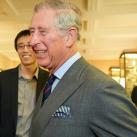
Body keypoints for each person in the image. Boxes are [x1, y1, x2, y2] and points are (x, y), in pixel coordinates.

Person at [29, 0, 137, 137]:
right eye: (32, 32)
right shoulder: (51, 81)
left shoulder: (100, 88)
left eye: (42, 32)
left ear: (69, 36)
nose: (32, 41)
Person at [0, 29, 49, 137]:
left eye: (29, 45)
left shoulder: (48, 79)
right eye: (20, 46)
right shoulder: (3, 78)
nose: (25, 50)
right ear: (17, 50)